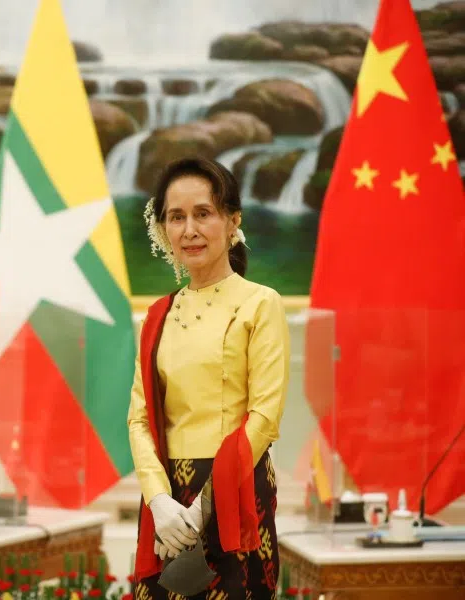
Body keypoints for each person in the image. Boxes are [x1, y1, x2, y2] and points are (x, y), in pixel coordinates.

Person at [127, 157, 290, 599]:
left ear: (233, 221)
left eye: (203, 213)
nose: (189, 230)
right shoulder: (158, 315)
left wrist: (203, 508)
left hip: (236, 489)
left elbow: (264, 417)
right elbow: (139, 419)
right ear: (163, 229)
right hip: (167, 497)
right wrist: (159, 500)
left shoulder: (260, 304)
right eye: (176, 217)